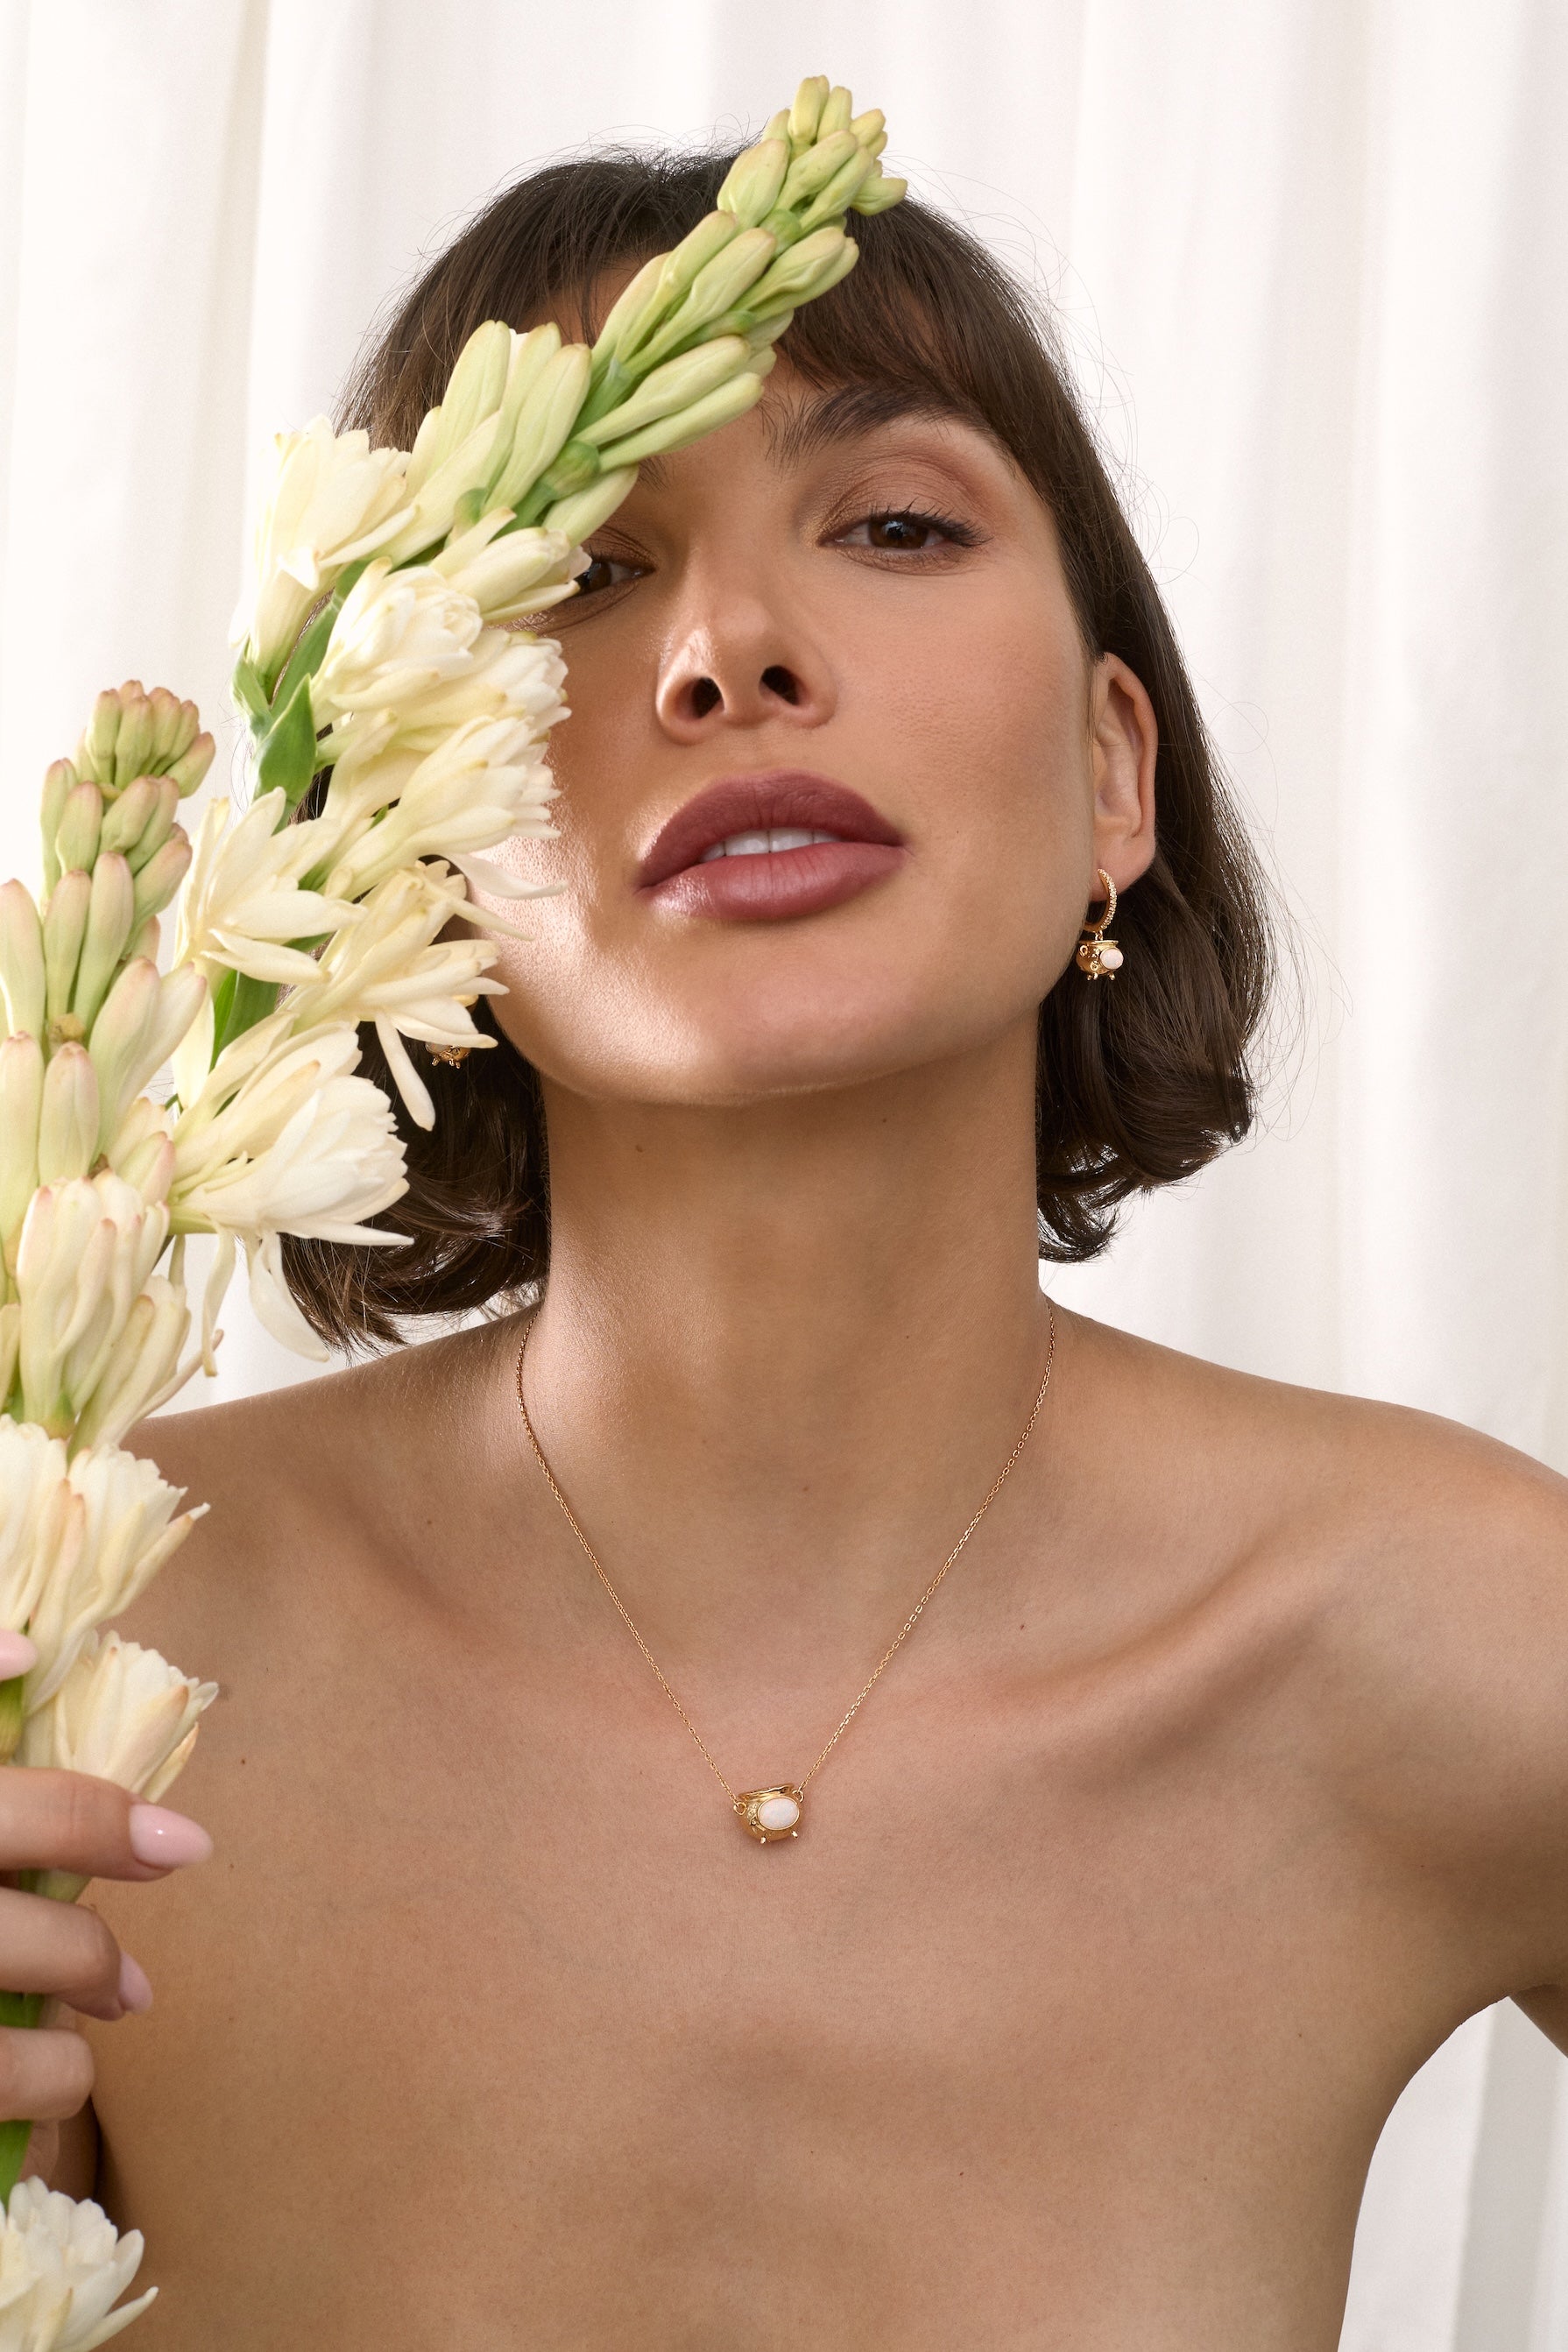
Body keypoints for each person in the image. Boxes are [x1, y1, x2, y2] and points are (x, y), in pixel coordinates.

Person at [1, 145, 1564, 2348]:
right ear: (405, 840)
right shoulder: (86, 1643)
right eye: (580, 569)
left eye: (896, 524)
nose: (727, 649)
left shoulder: (1453, 1631)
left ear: (1117, 774)